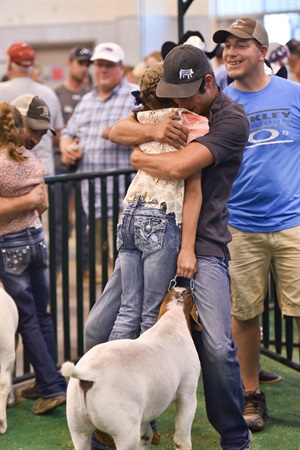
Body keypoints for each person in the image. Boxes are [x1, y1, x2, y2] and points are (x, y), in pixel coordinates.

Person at [85, 44, 252, 450]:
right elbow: (117, 130)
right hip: (150, 233)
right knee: (97, 327)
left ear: (209, 83)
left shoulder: (231, 120)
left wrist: (140, 157)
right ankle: (113, 422)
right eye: (172, 95)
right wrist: (153, 131)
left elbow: (181, 171)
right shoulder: (172, 111)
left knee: (215, 345)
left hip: (204, 242)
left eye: (189, 94)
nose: (179, 103)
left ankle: (233, 435)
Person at [213, 17, 300, 432]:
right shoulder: (221, 105)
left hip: (293, 223)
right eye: (226, 45)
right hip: (241, 226)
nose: (230, 52)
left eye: (241, 45)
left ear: (262, 52)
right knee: (245, 314)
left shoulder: (294, 95)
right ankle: (252, 394)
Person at [109, 62, 209, 342]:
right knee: (151, 313)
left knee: (127, 310)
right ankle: (145, 381)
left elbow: (116, 131)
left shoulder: (140, 120)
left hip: (129, 213)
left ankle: (113, 378)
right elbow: (193, 189)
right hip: (161, 215)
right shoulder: (191, 121)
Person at [0, 100, 66, 415]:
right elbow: (42, 203)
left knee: (25, 318)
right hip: (36, 240)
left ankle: (51, 387)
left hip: (9, 246)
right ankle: (48, 380)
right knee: (42, 314)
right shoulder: (32, 159)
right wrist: (27, 203)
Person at [60, 42, 139, 271]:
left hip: (124, 200)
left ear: (121, 68)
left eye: (108, 65)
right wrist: (66, 147)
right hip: (91, 199)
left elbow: (147, 132)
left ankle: (126, 306)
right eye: (98, 65)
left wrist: (117, 133)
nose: (102, 70)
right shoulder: (87, 100)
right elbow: (68, 132)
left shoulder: (134, 95)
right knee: (104, 264)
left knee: (126, 263)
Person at [54, 46, 93, 280]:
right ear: (69, 63)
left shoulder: (90, 94)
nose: (84, 68)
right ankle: (57, 267)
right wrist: (67, 139)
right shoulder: (57, 94)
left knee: (85, 218)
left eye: (87, 63)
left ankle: (86, 266)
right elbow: (49, 132)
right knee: (59, 219)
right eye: (80, 63)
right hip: (62, 167)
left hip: (86, 166)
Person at [0, 41, 63, 176]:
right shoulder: (49, 93)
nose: (35, 139)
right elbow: (58, 135)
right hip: (45, 173)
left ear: (10, 64)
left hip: (8, 173)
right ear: (32, 66)